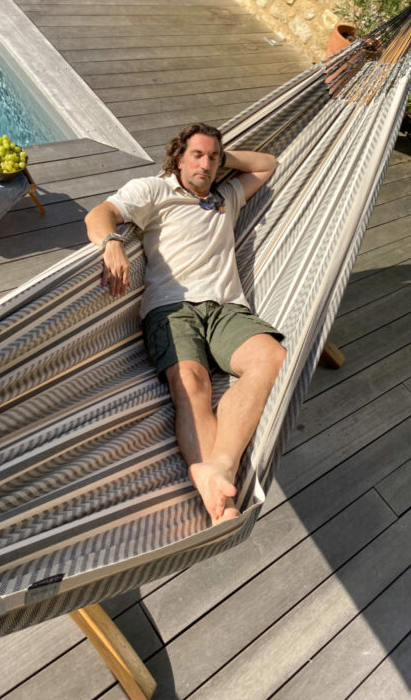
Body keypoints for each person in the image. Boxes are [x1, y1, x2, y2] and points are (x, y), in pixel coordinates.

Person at [85, 123, 286, 524]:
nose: (205, 164)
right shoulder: (154, 190)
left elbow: (267, 164)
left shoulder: (227, 196)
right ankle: (220, 505)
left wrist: (221, 158)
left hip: (226, 307)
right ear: (178, 159)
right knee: (192, 384)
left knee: (271, 357)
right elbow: (99, 214)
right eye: (196, 155)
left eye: (213, 158)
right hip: (171, 308)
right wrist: (111, 242)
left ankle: (221, 466)